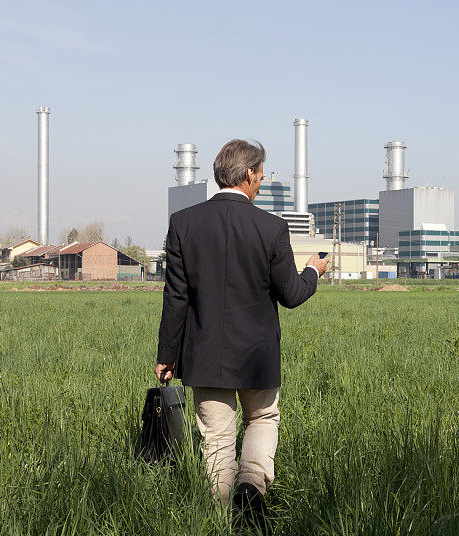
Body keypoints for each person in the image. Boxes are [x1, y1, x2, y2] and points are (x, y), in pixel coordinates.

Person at [155, 139, 329, 524]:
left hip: (205, 355)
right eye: (262, 176)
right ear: (249, 173)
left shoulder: (184, 223)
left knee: (216, 438)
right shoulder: (271, 227)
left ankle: (221, 518)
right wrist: (314, 270)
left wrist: (166, 354)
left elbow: (176, 298)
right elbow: (292, 294)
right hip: (257, 355)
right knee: (263, 419)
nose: (262, 183)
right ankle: (251, 487)